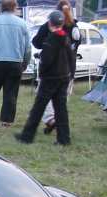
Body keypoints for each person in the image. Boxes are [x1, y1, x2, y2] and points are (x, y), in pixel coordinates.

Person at [15, 10, 72, 145]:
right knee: (61, 109)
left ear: (50, 23)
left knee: (38, 108)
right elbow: (70, 57)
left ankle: (26, 136)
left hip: (50, 78)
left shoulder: (51, 40)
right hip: (63, 76)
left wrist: (42, 73)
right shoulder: (66, 38)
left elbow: (46, 60)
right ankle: (64, 139)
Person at [32, 0, 80, 134]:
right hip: (68, 68)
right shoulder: (74, 27)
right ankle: (58, 123)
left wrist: (46, 44)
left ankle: (51, 120)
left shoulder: (49, 26)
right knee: (61, 100)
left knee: (44, 97)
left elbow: (36, 42)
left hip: (51, 69)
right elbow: (77, 44)